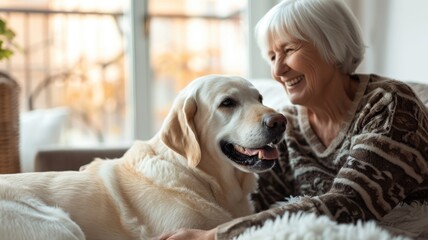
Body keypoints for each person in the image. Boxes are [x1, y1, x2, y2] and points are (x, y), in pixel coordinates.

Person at [156, 0, 428, 239]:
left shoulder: (388, 104)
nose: (278, 69)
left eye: (288, 50)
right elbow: (257, 204)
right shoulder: (290, 124)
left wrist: (215, 236)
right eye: (272, 56)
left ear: (330, 44)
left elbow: (350, 205)